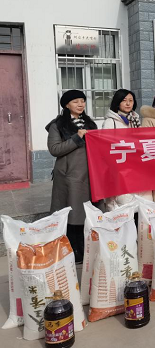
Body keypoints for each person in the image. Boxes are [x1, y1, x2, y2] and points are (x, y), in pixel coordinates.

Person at [46, 90, 97, 262]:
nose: (80, 104)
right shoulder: (57, 125)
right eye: (76, 101)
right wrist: (77, 137)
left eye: (82, 101)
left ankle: (84, 246)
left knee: (85, 211)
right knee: (72, 211)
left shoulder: (90, 123)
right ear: (67, 105)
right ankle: (73, 248)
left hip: (88, 173)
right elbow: (55, 149)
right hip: (69, 175)